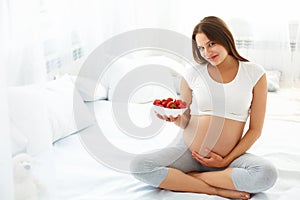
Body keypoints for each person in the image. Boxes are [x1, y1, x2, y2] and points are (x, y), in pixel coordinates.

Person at [130, 16, 278, 199]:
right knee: (139, 166)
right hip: (188, 152)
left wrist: (226, 160)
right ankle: (214, 187)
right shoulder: (192, 74)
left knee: (267, 174)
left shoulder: (254, 73)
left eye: (211, 44)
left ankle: (190, 178)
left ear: (226, 39)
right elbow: (185, 120)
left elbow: (255, 130)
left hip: (227, 160)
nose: (206, 52)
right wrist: (176, 119)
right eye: (201, 48)